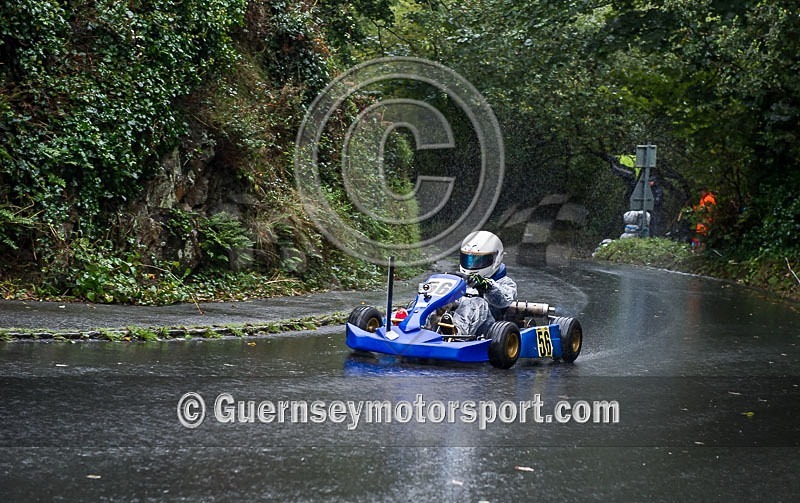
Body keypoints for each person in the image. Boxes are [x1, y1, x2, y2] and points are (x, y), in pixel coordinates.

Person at [440, 231, 517, 336]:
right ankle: (421, 328)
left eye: (478, 261)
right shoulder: (461, 280)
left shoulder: (506, 282)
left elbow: (503, 300)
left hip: (488, 328)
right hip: (457, 318)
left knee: (475, 302)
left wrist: (486, 285)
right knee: (438, 301)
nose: (472, 265)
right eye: (468, 260)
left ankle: (455, 332)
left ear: (496, 259)